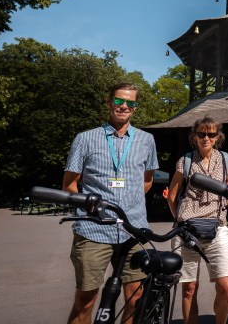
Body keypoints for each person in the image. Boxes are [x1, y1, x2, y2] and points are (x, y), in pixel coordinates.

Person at [62, 83, 159, 324]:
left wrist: (129, 202)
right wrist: (90, 208)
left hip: (132, 230)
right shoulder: (85, 139)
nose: (124, 106)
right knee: (86, 298)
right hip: (94, 229)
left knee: (134, 298)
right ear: (109, 102)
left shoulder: (146, 140)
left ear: (135, 108)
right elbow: (70, 185)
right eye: (119, 101)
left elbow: (147, 181)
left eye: (130, 103)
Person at [166, 117, 228, 324]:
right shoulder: (185, 160)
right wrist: (181, 220)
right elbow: (172, 195)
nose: (206, 138)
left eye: (211, 134)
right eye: (201, 134)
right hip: (187, 229)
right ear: (194, 136)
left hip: (216, 227)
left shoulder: (225, 159)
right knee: (189, 288)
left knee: (225, 287)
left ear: (217, 137)